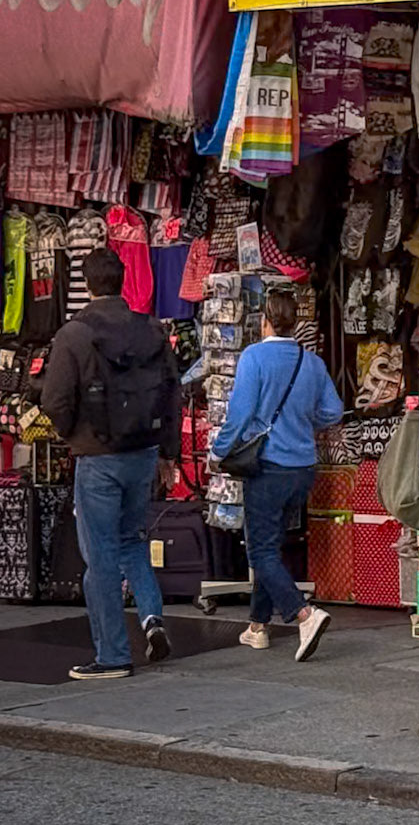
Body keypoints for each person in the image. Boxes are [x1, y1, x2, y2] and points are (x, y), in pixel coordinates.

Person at [39, 247, 182, 681]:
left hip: (97, 457)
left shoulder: (74, 335)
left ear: (86, 283)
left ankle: (112, 654)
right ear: (123, 281)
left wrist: (73, 435)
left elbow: (54, 400)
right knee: (133, 540)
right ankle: (152, 619)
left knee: (99, 557)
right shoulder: (152, 330)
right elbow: (172, 394)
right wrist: (170, 453)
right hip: (142, 452)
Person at [209, 287, 345, 661]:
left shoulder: (254, 358)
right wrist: (302, 420)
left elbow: (238, 415)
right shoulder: (311, 362)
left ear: (264, 320)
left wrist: (218, 452)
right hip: (303, 467)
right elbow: (333, 411)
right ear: (295, 323)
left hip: (268, 466)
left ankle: (303, 614)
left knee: (261, 550)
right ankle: (258, 626)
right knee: (272, 544)